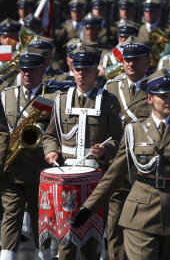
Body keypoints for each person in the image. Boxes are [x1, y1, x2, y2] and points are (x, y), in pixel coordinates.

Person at [71, 69, 170, 259]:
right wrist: (88, 208)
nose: (169, 100)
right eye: (163, 96)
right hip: (140, 215)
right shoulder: (134, 131)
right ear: (150, 99)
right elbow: (114, 176)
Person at [43, 42, 122, 260]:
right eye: (78, 68)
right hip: (67, 179)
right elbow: (50, 136)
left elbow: (119, 140)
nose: (81, 73)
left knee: (92, 242)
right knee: (66, 242)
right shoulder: (60, 100)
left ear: (96, 70)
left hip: (96, 178)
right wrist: (51, 152)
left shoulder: (108, 101)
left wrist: (104, 150)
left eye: (86, 69)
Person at [0, 47, 55, 260]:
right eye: (23, 70)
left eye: (32, 70)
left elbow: (54, 134)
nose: (26, 74)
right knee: (9, 223)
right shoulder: (5, 96)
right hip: (11, 172)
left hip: (38, 174)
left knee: (42, 225)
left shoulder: (51, 97)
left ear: (42, 70)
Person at [102, 37, 152, 260]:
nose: (130, 64)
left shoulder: (156, 87)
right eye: (127, 60)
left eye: (136, 60)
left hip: (145, 166)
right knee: (114, 227)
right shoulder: (111, 87)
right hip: (117, 165)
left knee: (143, 227)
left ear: (147, 61)